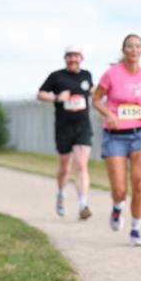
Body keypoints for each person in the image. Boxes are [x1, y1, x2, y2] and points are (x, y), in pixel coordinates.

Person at [91, 34, 141, 246]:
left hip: (140, 134)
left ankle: (135, 230)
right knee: (120, 190)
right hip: (115, 137)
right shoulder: (111, 74)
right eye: (130, 46)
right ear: (124, 50)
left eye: (137, 46)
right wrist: (108, 114)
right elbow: (96, 99)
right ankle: (117, 207)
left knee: (139, 184)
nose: (133, 49)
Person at [38, 45, 94, 219]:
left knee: (81, 165)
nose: (73, 59)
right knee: (65, 167)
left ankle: (83, 204)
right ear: (65, 58)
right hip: (63, 128)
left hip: (83, 127)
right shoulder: (56, 76)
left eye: (76, 56)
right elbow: (40, 94)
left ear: (81, 58)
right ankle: (61, 193)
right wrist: (56, 97)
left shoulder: (86, 75)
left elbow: (92, 91)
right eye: (69, 56)